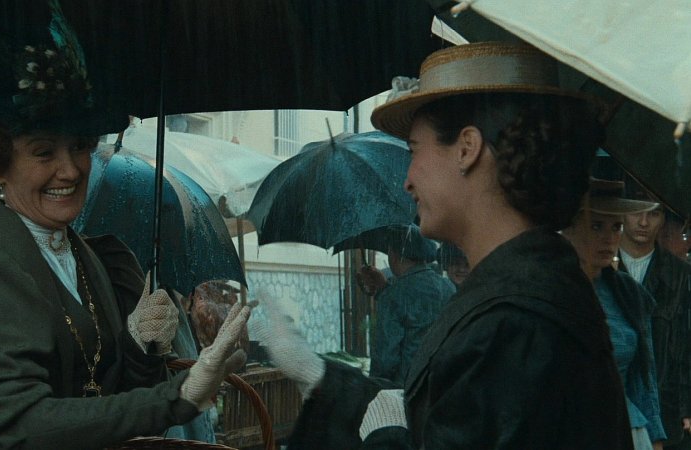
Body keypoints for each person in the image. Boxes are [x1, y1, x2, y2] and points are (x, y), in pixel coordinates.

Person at [0, 5, 251, 449]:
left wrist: (141, 347)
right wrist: (179, 396)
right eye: (44, 152)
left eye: (80, 146)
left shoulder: (105, 261)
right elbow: (16, 426)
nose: (70, 170)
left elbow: (118, 407)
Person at [255, 41, 633, 449]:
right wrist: (319, 376)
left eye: (414, 151)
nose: (408, 180)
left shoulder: (510, 324)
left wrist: (386, 434)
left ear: (467, 149)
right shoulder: (526, 296)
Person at [562, 178, 666, 449]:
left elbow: (644, 378)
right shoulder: (549, 288)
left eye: (616, 227)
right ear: (570, 229)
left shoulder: (628, 294)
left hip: (626, 428)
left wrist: (655, 438)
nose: (609, 238)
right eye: (596, 226)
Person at [617, 184, 691, 449]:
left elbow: (686, 345)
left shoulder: (680, 275)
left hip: (664, 407)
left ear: (663, 219)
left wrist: (686, 406)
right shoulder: (600, 267)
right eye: (636, 210)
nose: (644, 221)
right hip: (612, 402)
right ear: (622, 212)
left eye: (654, 213)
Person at [355, 225, 455, 385]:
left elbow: (385, 361)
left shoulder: (393, 296)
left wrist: (372, 388)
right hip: (444, 384)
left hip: (407, 390)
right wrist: (385, 289)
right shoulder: (448, 287)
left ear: (394, 255)